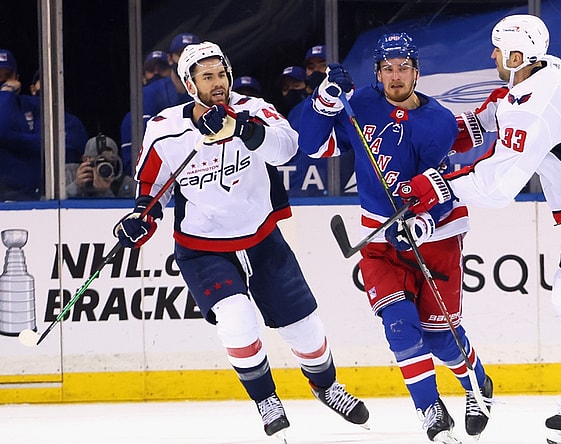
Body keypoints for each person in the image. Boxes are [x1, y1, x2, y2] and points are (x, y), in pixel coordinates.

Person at [398, 14, 561, 444]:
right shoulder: (549, 66)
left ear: (519, 55)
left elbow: (497, 185)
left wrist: (440, 185)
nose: (492, 56)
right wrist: (464, 127)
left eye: (498, 49)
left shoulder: (535, 109)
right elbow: (507, 102)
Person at [112, 41, 369, 441]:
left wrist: (241, 128)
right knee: (236, 320)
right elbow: (152, 186)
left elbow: (286, 149)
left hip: (261, 236)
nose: (219, 83)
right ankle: (266, 400)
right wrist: (139, 218)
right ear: (188, 83)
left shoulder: (253, 109)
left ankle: (326, 386)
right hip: (202, 246)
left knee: (304, 328)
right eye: (208, 77)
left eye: (222, 74)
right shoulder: (165, 127)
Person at [298, 33, 494, 443]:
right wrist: (324, 103)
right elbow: (311, 146)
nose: (396, 76)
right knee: (400, 327)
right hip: (378, 238)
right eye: (388, 68)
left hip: (437, 234)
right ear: (378, 73)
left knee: (442, 340)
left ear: (417, 72)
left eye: (404, 67)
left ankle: (476, 379)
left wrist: (425, 220)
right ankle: (430, 411)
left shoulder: (438, 121)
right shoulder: (361, 106)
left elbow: (442, 182)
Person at [0, 50, 87, 201]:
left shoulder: (28, 104)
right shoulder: (8, 103)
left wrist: (14, 141)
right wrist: (6, 92)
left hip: (45, 196)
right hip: (6, 198)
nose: (4, 82)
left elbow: (62, 142)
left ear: (17, 78)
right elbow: (2, 129)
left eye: (8, 76)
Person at [120, 33, 200, 175]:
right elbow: (144, 144)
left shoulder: (206, 92)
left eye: (191, 53)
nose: (186, 59)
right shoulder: (150, 93)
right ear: (170, 58)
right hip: (161, 174)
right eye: (180, 53)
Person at [65, 134, 136, 198]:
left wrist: (105, 192)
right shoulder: (68, 173)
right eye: (98, 161)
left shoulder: (124, 182)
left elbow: (123, 210)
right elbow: (59, 203)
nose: (103, 167)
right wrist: (76, 185)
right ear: (85, 159)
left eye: (109, 162)